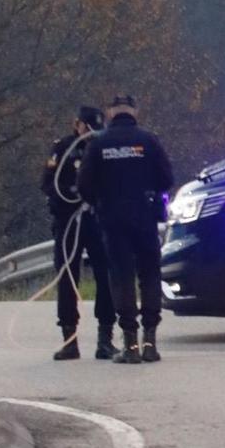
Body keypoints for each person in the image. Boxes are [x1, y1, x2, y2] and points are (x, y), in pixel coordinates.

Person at [78, 95, 175, 365]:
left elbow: (84, 183)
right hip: (144, 216)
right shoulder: (148, 140)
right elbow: (167, 178)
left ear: (110, 113)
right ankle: (150, 343)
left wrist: (99, 200)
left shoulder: (99, 143)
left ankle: (130, 344)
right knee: (149, 275)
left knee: (121, 277)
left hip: (112, 218)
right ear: (134, 112)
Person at [41, 104, 116, 362]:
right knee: (67, 278)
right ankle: (69, 340)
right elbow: (48, 183)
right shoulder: (63, 148)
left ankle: (105, 339)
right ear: (78, 125)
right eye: (87, 126)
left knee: (105, 277)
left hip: (96, 221)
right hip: (68, 221)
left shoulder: (104, 149)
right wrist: (71, 197)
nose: (91, 131)